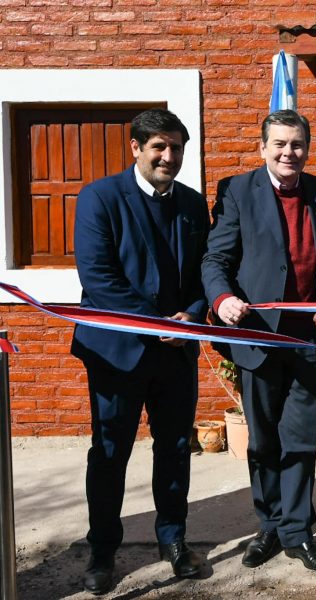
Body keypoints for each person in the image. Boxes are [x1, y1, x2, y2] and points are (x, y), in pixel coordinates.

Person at [71, 108, 209, 594]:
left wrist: (191, 314)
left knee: (174, 450)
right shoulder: (100, 198)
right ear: (136, 147)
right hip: (117, 353)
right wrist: (156, 326)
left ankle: (174, 541)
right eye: (159, 147)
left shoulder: (193, 205)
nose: (169, 156)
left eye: (176, 147)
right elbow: (98, 279)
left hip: (176, 354)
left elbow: (202, 274)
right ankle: (103, 551)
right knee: (110, 453)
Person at [201, 110, 316, 574]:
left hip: (306, 341)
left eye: (297, 144)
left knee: (302, 439)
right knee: (262, 441)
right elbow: (216, 259)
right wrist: (222, 300)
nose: (289, 153)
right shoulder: (238, 191)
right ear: (263, 148)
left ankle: (299, 533)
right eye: (280, 144)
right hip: (257, 336)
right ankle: (270, 524)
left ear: (307, 148)